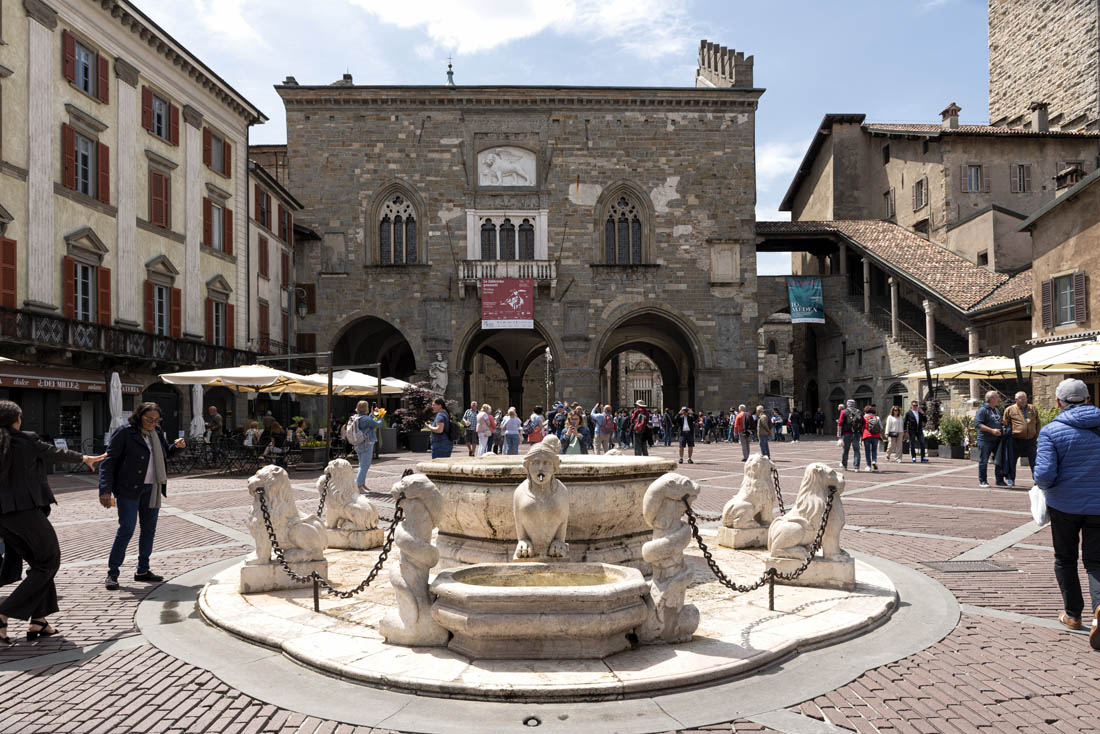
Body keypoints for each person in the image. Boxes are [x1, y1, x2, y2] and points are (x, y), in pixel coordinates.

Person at [0, 401, 103, 642]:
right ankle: (4, 613)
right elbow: (54, 452)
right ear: (17, 418)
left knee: (39, 564)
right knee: (49, 561)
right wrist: (84, 457)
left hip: (3, 516)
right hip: (24, 511)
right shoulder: (25, 438)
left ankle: (39, 622)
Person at [1033, 378, 1100, 647]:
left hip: (1065, 506)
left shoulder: (1052, 431)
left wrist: (1045, 485)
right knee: (1097, 562)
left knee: (1066, 559)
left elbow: (1045, 475)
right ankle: (1099, 609)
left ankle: (1073, 615)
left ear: (1059, 402)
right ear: (1088, 398)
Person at [98, 402, 185, 591]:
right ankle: (112, 573)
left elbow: (165, 454)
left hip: (152, 488)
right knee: (127, 528)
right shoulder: (124, 433)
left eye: (156, 420)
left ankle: (142, 570)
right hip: (129, 489)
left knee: (149, 529)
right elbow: (108, 462)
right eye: (148, 419)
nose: (152, 423)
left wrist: (177, 447)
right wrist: (105, 490)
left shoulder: (157, 432)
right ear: (139, 416)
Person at [1003, 391, 1039, 487]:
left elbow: (1037, 423)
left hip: (1030, 440)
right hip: (1016, 439)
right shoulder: (1010, 409)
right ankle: (1011, 479)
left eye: (1025, 398)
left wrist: (1036, 434)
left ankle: (1037, 479)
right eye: (1021, 399)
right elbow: (1005, 424)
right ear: (1016, 399)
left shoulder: (1032, 408)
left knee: (1034, 461)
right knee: (1012, 460)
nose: (1023, 400)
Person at [974, 390, 1008, 488]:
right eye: (997, 397)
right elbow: (977, 424)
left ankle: (999, 480)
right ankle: (983, 480)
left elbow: (997, 420)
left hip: (997, 440)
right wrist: (992, 430)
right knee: (983, 461)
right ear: (991, 399)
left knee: (999, 460)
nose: (999, 399)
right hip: (985, 440)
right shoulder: (982, 410)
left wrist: (1002, 422)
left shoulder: (996, 410)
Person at [348, 402, 381, 491]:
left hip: (358, 443)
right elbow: (377, 424)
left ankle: (362, 484)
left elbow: (368, 422)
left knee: (362, 464)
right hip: (367, 443)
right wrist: (379, 415)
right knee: (365, 465)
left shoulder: (356, 417)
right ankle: (358, 485)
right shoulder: (366, 419)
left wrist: (372, 415)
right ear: (366, 408)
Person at [838, 399, 862, 471]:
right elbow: (863, 422)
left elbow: (840, 423)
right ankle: (856, 467)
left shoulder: (844, 411)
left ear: (847, 404)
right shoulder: (859, 411)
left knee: (845, 450)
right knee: (857, 450)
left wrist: (838, 433)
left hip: (846, 433)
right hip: (856, 433)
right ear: (854, 404)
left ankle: (845, 465)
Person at [862, 405, 882, 472]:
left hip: (866, 435)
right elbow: (881, 427)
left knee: (867, 451)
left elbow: (861, 427)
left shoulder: (864, 417)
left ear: (865, 411)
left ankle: (868, 466)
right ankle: (874, 460)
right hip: (876, 436)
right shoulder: (877, 417)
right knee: (874, 450)